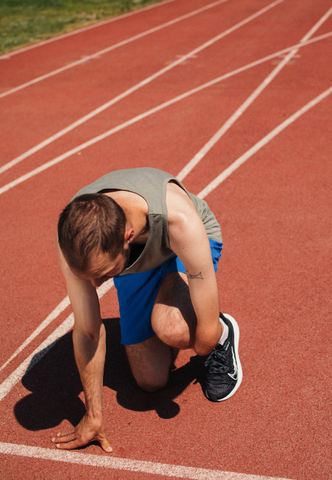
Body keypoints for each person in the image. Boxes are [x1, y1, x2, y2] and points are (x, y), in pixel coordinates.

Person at [53, 167, 242, 452]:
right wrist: (93, 415)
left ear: (127, 236)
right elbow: (88, 332)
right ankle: (166, 306)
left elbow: (202, 281)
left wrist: (207, 336)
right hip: (137, 263)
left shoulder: (180, 219)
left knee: (183, 333)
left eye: (105, 273)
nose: (95, 283)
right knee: (151, 381)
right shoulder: (74, 241)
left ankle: (224, 333)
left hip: (181, 248)